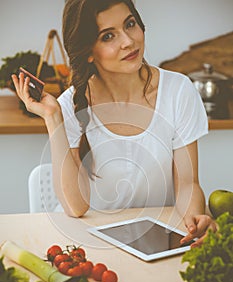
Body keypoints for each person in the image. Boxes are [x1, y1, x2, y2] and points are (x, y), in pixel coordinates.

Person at [12, 0, 216, 246]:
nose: (128, 41)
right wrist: (52, 118)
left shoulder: (178, 91)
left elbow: (187, 184)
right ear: (87, 51)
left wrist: (194, 221)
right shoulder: (70, 104)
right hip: (90, 240)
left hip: (157, 239)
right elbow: (76, 208)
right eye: (108, 36)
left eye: (130, 24)